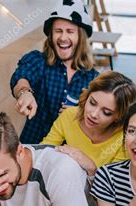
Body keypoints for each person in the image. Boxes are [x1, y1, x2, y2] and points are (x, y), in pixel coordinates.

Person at [10, 0, 99, 144]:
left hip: (70, 153)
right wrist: (24, 93)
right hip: (33, 146)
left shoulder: (93, 78)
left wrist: (81, 116)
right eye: (58, 31)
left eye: (70, 31)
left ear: (80, 37)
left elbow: (100, 121)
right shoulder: (39, 61)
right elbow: (22, 76)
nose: (63, 37)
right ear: (51, 35)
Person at [41, 70, 136, 177]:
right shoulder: (69, 115)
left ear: (119, 117)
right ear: (87, 96)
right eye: (92, 103)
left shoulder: (125, 140)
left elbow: (113, 188)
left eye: (107, 112)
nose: (94, 114)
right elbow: (43, 151)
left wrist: (92, 168)